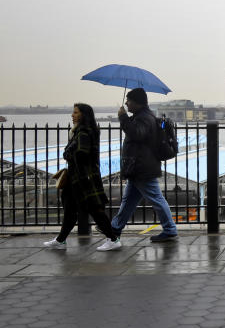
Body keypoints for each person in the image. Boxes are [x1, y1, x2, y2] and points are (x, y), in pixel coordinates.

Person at [43, 103, 122, 251]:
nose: (72, 115)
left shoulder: (83, 132)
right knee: (70, 209)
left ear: (83, 115)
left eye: (75, 113)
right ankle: (60, 240)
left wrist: (67, 153)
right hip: (79, 178)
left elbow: (81, 153)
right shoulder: (84, 131)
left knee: (95, 210)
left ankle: (113, 239)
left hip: (82, 178)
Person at [110, 87, 178, 242]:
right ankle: (115, 228)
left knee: (156, 198)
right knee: (129, 201)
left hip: (142, 167)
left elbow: (136, 134)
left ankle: (169, 229)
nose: (126, 103)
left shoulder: (144, 118)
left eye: (129, 100)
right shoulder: (144, 116)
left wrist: (123, 117)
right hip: (139, 166)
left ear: (137, 102)